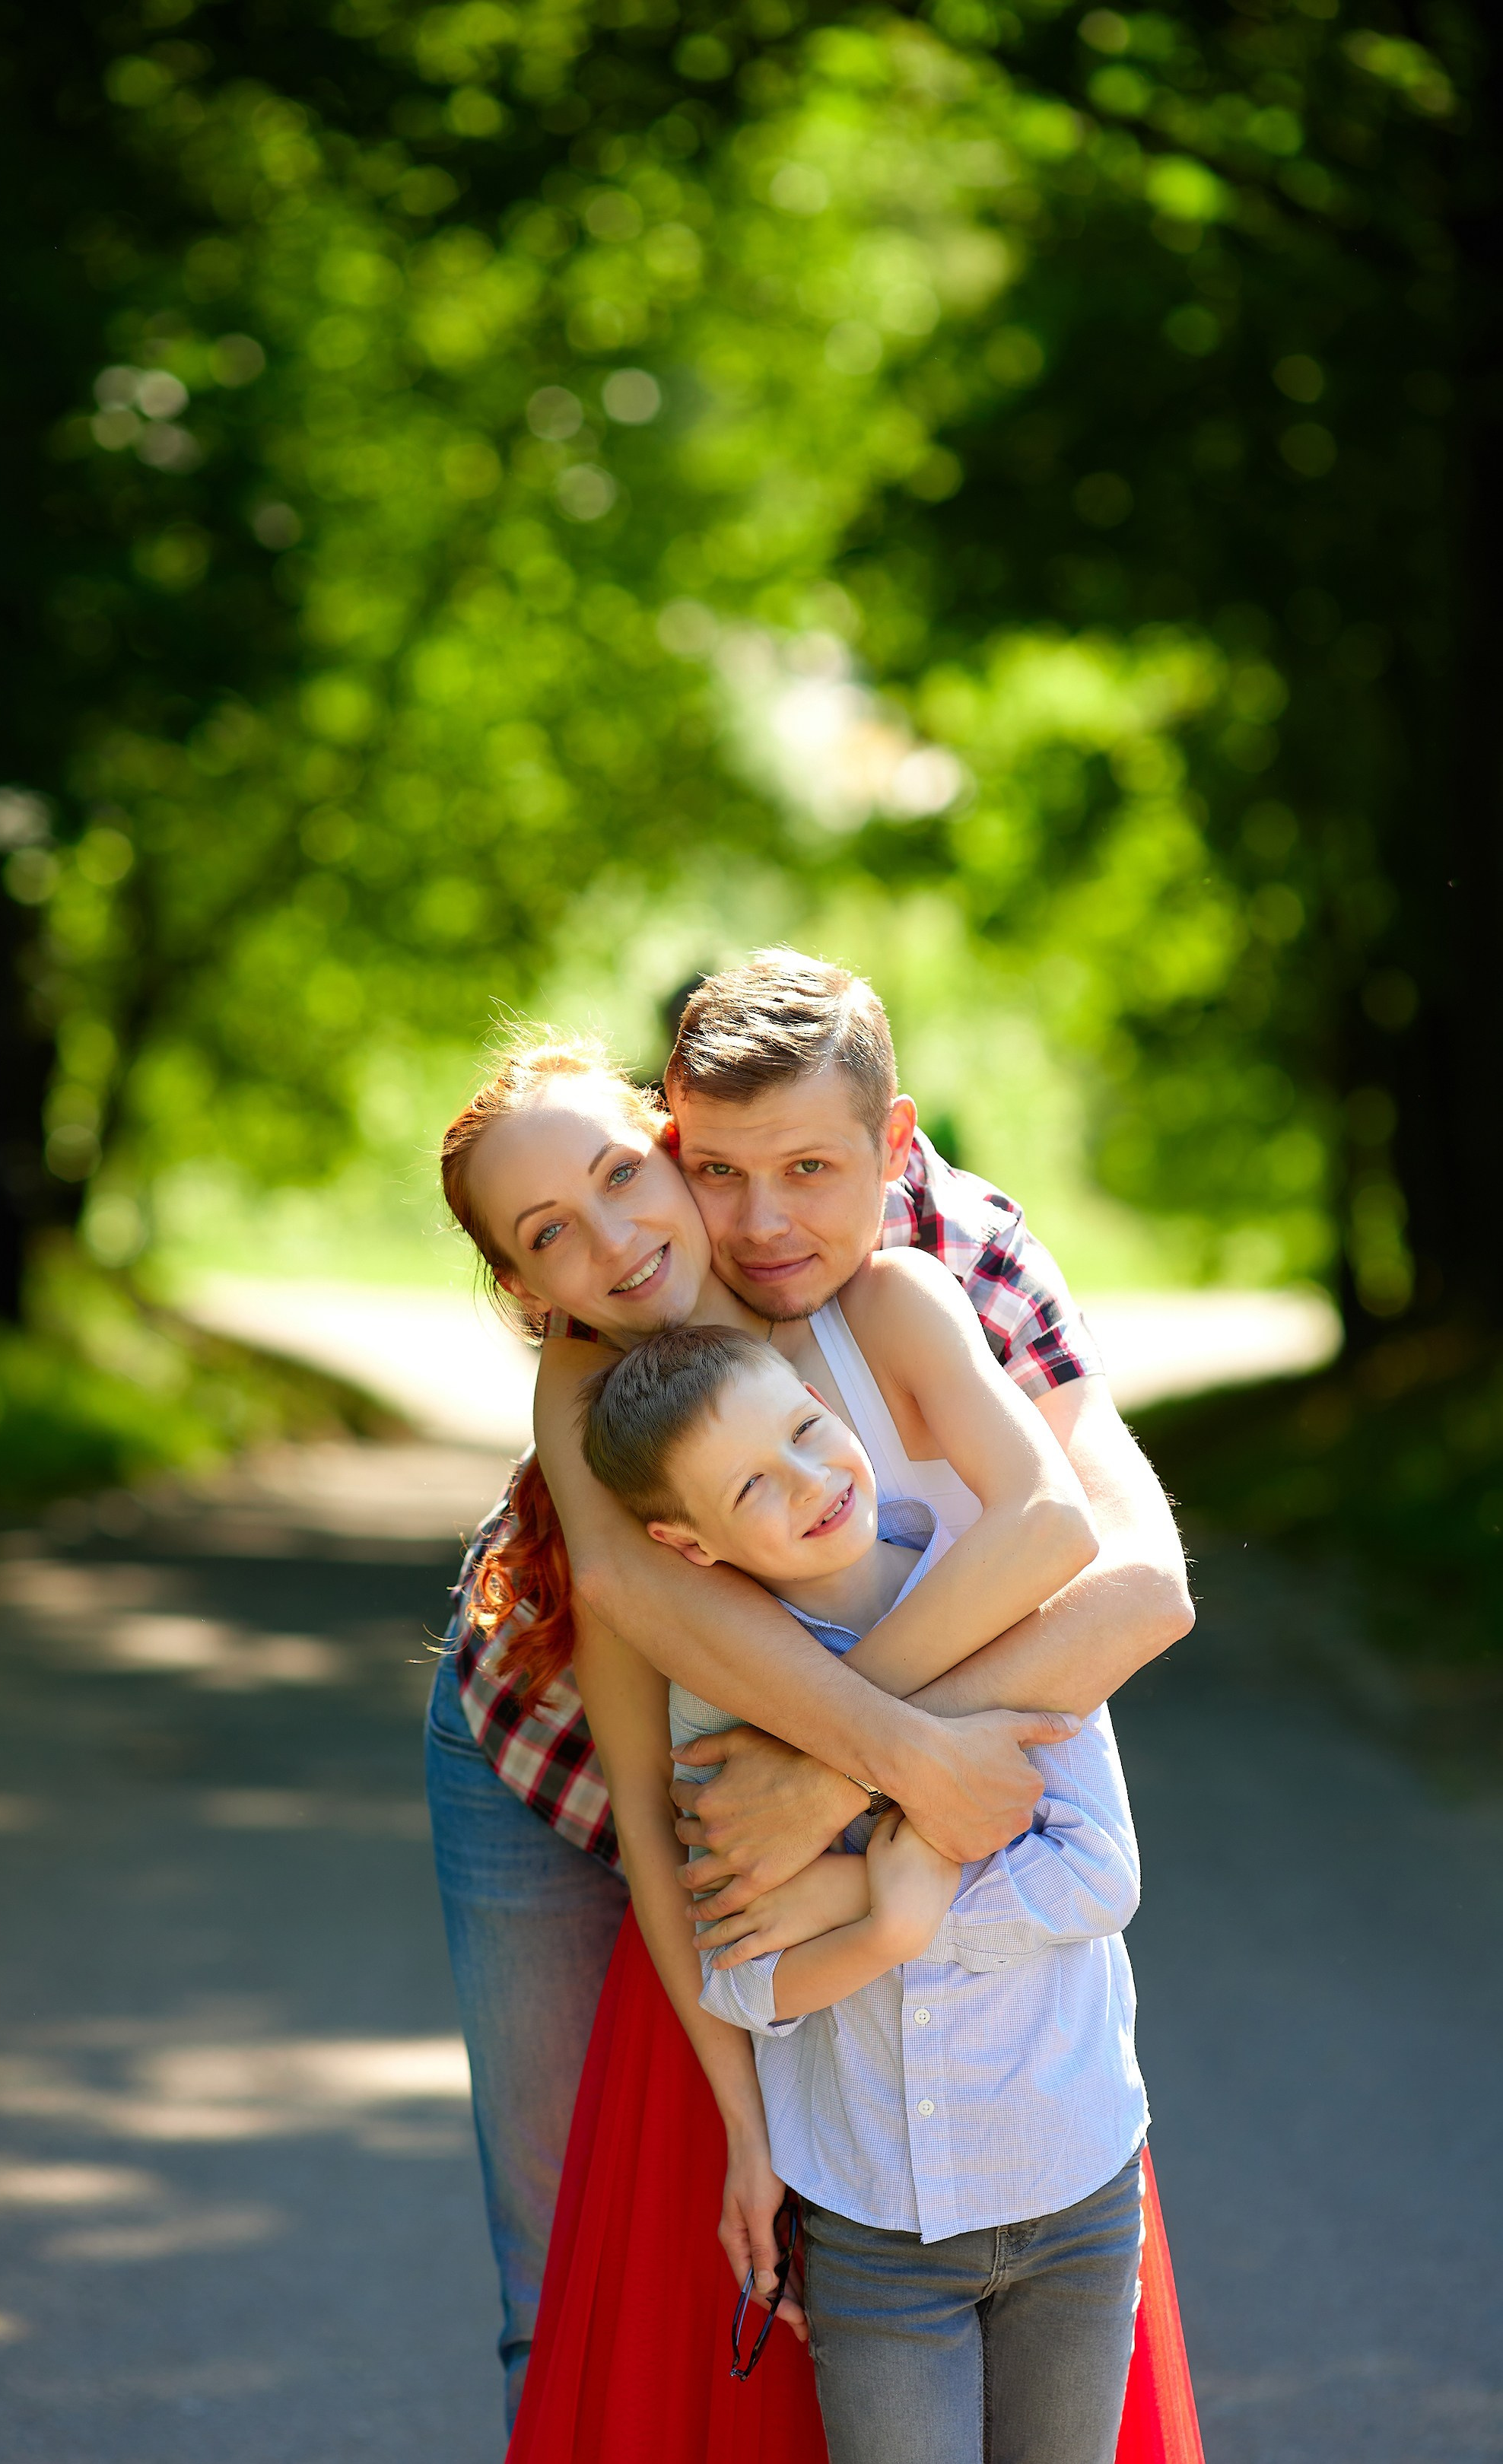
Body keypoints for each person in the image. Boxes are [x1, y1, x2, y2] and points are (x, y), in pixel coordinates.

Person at [425, 952, 1196, 2427]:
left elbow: (1129, 1575)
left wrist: (845, 1767)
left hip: (775, 1780)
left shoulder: (942, 1258)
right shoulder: (589, 1355)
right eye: (717, 1169)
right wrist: (883, 1763)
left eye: (627, 1175)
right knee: (582, 2258)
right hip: (548, 1746)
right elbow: (644, 1636)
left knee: (835, 2248)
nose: (753, 1220)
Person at [577, 1324, 1156, 2464]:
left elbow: (1099, 1874)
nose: (809, 1480)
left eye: (804, 1430)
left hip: (1071, 2174)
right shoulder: (722, 1707)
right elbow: (742, 1974)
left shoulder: (1003, 1594)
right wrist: (889, 1920)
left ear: (819, 1395)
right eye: (751, 1484)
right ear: (682, 1542)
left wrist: (845, 1886)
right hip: (875, 2226)